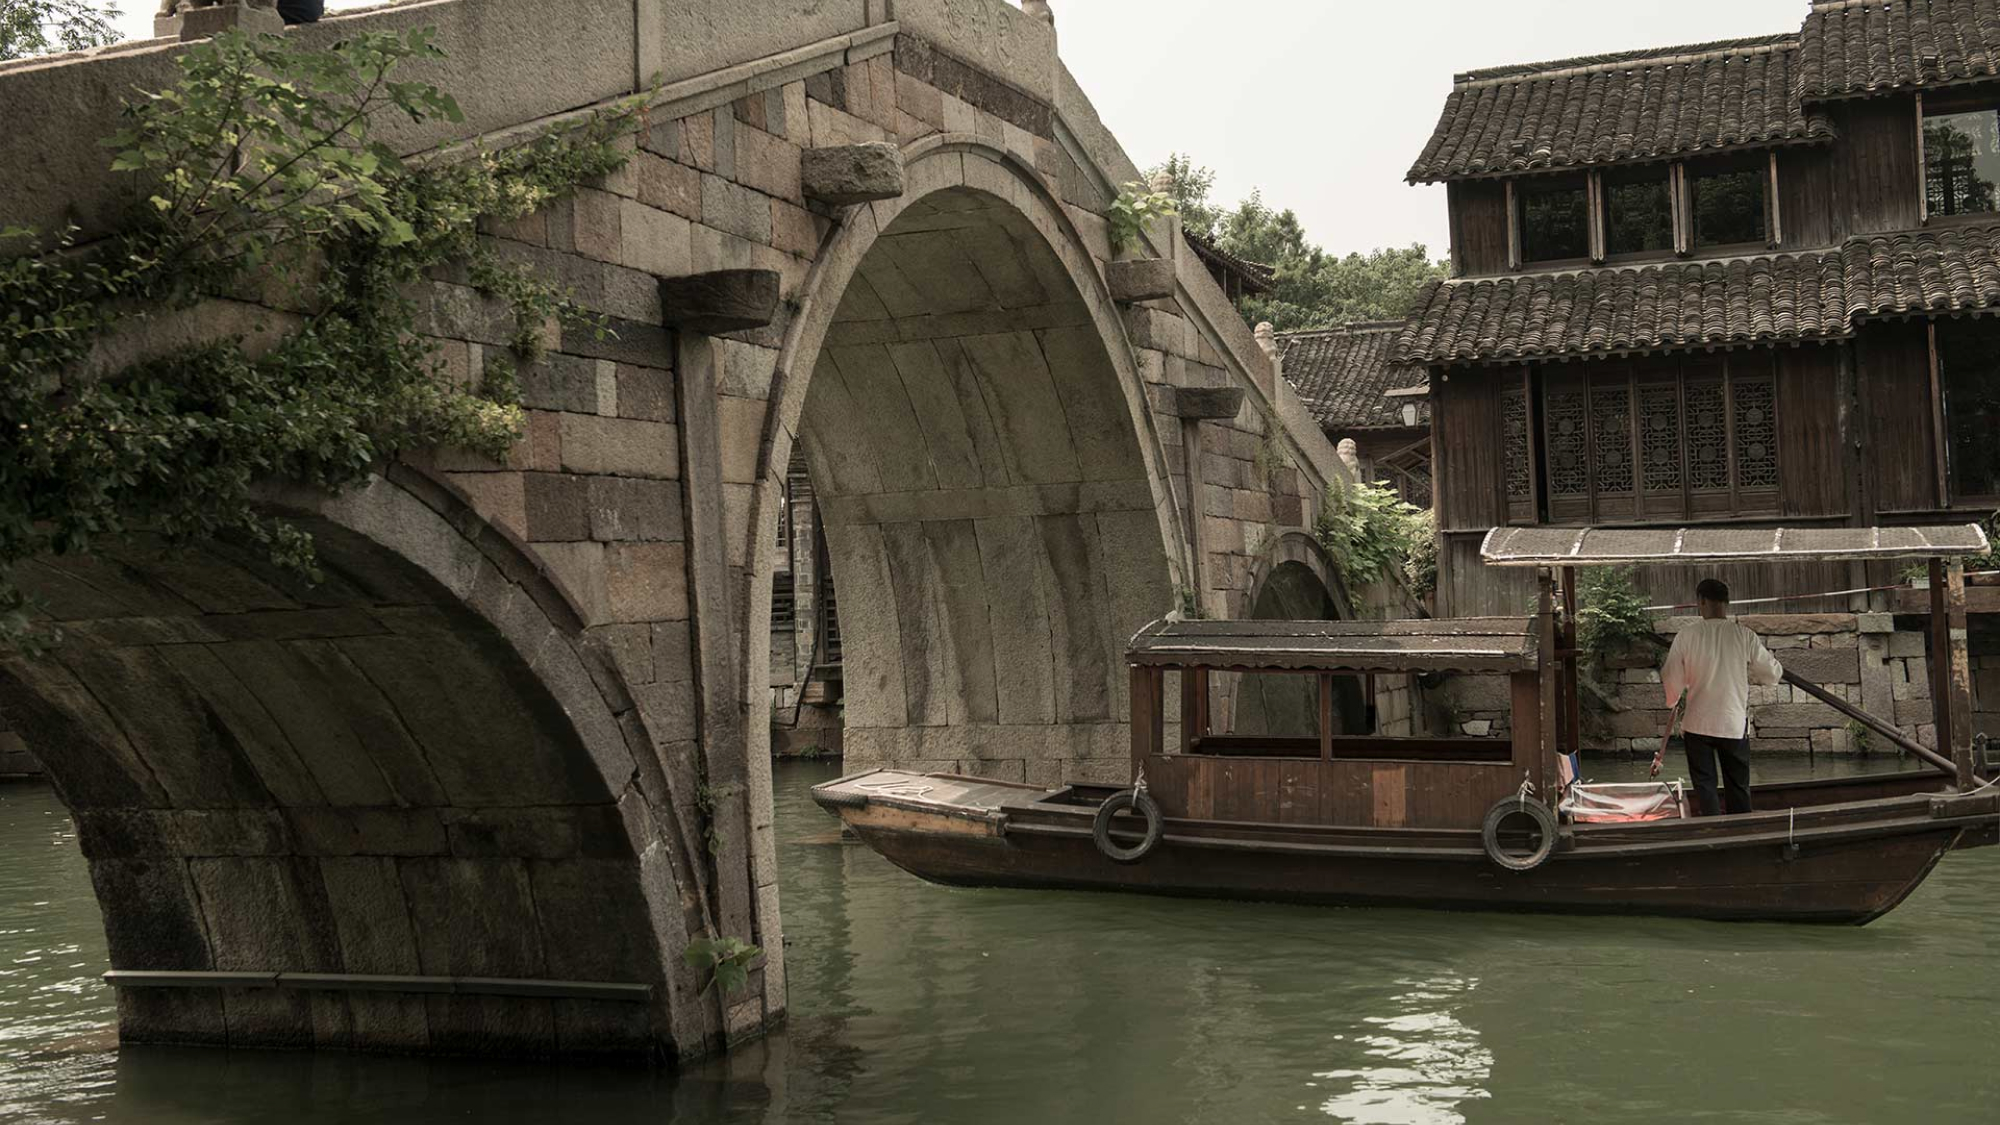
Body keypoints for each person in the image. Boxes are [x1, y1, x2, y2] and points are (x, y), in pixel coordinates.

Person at [1655, 578, 1783, 816]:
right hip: (1732, 722)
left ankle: (1713, 829)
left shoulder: (1687, 635)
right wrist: (1769, 671)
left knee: (1705, 786)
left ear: (1700, 602)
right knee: (1738, 785)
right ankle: (1742, 830)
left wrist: (1672, 699)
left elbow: (1671, 674)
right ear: (1727, 603)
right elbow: (1770, 674)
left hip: (1698, 722)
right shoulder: (1744, 636)